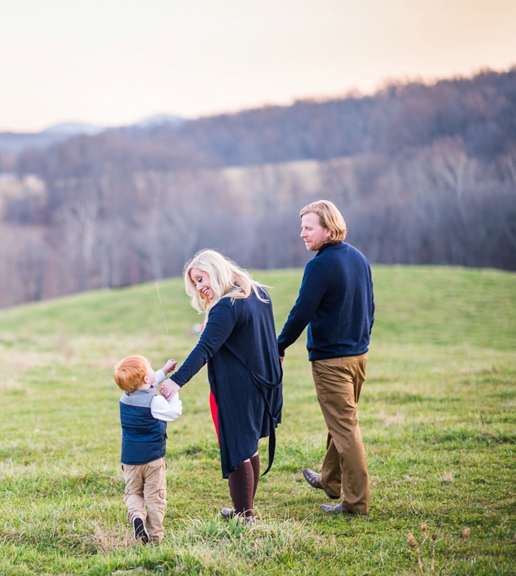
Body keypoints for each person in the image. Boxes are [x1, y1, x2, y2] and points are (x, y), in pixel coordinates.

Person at [160, 250, 282, 524]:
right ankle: (245, 510)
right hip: (262, 384)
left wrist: (176, 381)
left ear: (215, 270)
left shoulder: (227, 306)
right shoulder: (257, 292)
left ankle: (244, 517)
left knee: (238, 448)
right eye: (195, 284)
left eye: (201, 279)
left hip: (236, 388)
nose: (200, 287)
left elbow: (204, 348)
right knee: (249, 447)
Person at [277, 200, 374, 515]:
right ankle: (330, 480)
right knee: (340, 422)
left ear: (328, 229)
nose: (302, 234)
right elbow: (370, 308)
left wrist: (279, 345)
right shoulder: (359, 258)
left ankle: (355, 503)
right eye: (302, 227)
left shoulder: (318, 266)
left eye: (308, 228)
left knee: (345, 429)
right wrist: (361, 342)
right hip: (358, 357)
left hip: (331, 361)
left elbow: (301, 312)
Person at [114, 355, 182, 544]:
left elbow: (147, 383)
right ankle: (154, 536)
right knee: (155, 497)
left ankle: (136, 515)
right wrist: (173, 392)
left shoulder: (125, 398)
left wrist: (165, 370)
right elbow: (175, 412)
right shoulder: (155, 402)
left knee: (133, 492)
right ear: (145, 379)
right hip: (153, 459)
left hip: (130, 459)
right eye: (151, 369)